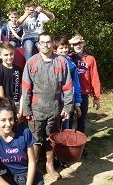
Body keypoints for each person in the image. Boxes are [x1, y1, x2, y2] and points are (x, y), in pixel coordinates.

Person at [21, 32, 74, 180]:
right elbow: (26, 88)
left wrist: (68, 107)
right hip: (36, 109)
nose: (45, 44)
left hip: (55, 108)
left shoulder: (62, 62)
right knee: (36, 139)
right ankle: (35, 168)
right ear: (38, 44)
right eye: (42, 42)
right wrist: (27, 109)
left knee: (52, 138)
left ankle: (49, 166)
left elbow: (68, 87)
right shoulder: (31, 62)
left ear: (52, 44)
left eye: (48, 42)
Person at [0, 97, 44, 185]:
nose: (8, 124)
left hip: (27, 176)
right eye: (3, 120)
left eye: (11, 119)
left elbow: (32, 162)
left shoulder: (24, 132)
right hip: (7, 177)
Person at [68, 34, 101, 135]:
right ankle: (68, 144)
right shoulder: (67, 56)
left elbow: (95, 78)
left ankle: (80, 144)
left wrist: (96, 97)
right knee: (68, 120)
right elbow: (55, 49)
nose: (78, 45)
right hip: (68, 93)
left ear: (84, 44)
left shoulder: (90, 59)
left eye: (80, 43)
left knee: (81, 120)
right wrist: (69, 42)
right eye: (76, 43)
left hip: (83, 94)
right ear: (72, 44)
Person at [54, 37, 83, 129]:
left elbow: (76, 85)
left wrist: (77, 103)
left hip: (67, 100)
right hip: (53, 100)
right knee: (53, 126)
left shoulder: (72, 65)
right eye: (61, 48)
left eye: (66, 47)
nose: (64, 50)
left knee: (65, 125)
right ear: (55, 49)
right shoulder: (50, 62)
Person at [0, 43, 22, 117]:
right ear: (0, 55)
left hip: (18, 105)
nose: (9, 57)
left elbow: (21, 91)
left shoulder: (18, 69)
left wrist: (20, 111)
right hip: (6, 107)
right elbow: (1, 96)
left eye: (11, 54)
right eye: (6, 55)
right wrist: (9, 110)